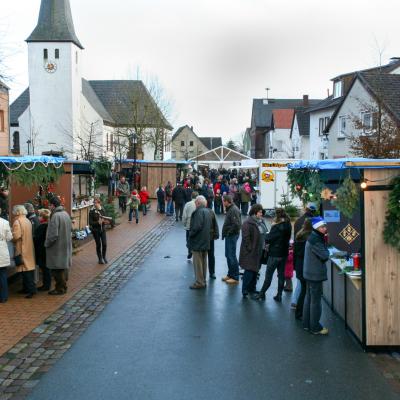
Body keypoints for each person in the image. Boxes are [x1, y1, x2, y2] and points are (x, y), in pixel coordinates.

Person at [256, 208, 292, 302]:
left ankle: (261, 293)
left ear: (277, 215)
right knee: (281, 275)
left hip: (274, 254)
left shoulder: (276, 226)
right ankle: (279, 295)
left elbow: (268, 239)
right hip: (284, 253)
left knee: (269, 275)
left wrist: (271, 229)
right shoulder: (288, 225)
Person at [303, 217, 330, 335]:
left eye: (325, 226)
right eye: (322, 227)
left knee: (309, 298)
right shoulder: (316, 239)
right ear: (316, 227)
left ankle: (306, 324)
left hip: (309, 272)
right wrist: (327, 250)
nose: (325, 229)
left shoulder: (313, 236)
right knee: (315, 301)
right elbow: (325, 255)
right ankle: (315, 327)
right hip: (315, 274)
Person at [45, 197, 72, 295]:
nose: (48, 207)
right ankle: (62, 287)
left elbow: (53, 234)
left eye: (49, 205)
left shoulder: (55, 216)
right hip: (65, 245)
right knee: (63, 268)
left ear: (53, 205)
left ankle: (60, 288)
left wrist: (46, 244)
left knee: (57, 269)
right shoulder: (65, 214)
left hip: (57, 247)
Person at [239, 204, 267, 298]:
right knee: (249, 271)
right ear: (255, 212)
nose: (261, 213)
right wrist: (250, 248)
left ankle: (252, 289)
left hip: (260, 250)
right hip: (251, 252)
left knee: (255, 270)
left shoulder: (261, 221)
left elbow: (265, 232)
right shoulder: (247, 223)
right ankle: (245, 290)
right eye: (259, 212)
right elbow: (246, 238)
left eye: (261, 212)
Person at [12, 205, 37, 299]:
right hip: (29, 247)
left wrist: (11, 234)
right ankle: (27, 288)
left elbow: (16, 236)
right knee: (28, 269)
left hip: (22, 248)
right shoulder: (27, 220)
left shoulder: (17, 222)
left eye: (14, 211)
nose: (13, 213)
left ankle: (31, 290)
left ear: (17, 212)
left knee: (25, 270)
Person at [188, 195, 212, 289]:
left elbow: (196, 227)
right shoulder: (208, 211)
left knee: (198, 263)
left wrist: (191, 234)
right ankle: (203, 280)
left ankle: (199, 282)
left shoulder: (198, 212)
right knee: (203, 262)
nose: (195, 204)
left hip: (198, 241)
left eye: (195, 202)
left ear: (198, 203)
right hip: (205, 240)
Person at [293, 219, 312, 320]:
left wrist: (295, 266)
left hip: (299, 265)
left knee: (303, 290)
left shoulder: (299, 234)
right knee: (305, 291)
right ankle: (301, 313)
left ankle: (299, 312)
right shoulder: (309, 237)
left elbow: (296, 252)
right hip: (305, 265)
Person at [221, 194, 242, 284]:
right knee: (228, 255)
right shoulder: (231, 209)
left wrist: (229, 233)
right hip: (230, 235)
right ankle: (230, 274)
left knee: (231, 256)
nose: (222, 202)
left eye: (223, 201)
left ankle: (235, 277)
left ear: (227, 201)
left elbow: (237, 225)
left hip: (232, 236)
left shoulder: (233, 210)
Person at [89, 198, 112, 264]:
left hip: (102, 230)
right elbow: (90, 223)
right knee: (98, 244)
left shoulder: (102, 210)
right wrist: (97, 223)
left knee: (104, 244)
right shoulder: (91, 211)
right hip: (95, 230)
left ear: (99, 203)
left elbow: (105, 218)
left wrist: (106, 221)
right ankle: (100, 259)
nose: (95, 204)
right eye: (94, 203)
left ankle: (104, 257)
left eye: (96, 203)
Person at [34, 209, 52, 291]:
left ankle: (46, 285)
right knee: (46, 268)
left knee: (45, 268)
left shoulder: (42, 226)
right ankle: (47, 284)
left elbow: (36, 238)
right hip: (45, 249)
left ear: (43, 217)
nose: (38, 217)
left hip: (42, 250)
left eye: (39, 215)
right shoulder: (48, 225)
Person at [0, 208, 12, 303]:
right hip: (2, 249)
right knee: (3, 274)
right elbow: (9, 237)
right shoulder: (5, 222)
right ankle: (4, 297)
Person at [182, 191, 198, 260]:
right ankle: (194, 251)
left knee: (188, 239)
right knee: (196, 239)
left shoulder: (188, 204)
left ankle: (189, 251)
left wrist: (184, 224)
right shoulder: (199, 204)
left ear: (191, 196)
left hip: (189, 224)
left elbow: (184, 215)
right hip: (197, 225)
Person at [207, 207, 219, 279]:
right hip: (206, 237)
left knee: (211, 255)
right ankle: (211, 272)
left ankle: (212, 272)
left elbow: (215, 224)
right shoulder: (197, 211)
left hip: (210, 237)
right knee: (209, 255)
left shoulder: (211, 212)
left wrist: (216, 234)